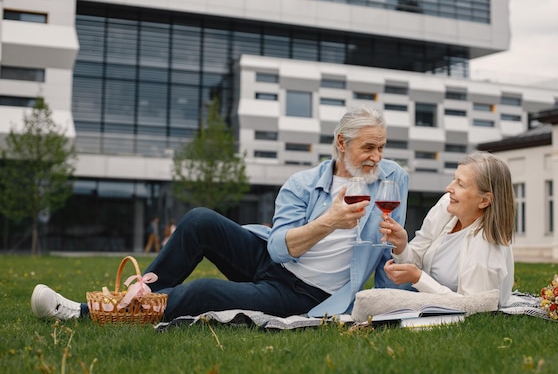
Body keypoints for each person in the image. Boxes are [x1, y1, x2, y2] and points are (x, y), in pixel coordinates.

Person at [31, 106, 409, 322]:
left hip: (303, 294)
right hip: (272, 261)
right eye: (369, 147)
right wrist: (328, 222)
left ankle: (85, 313)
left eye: (382, 147)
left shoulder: (393, 180)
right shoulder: (302, 183)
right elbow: (278, 249)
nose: (377, 157)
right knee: (198, 220)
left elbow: (387, 256)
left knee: (204, 291)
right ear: (342, 144)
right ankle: (139, 293)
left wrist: (399, 255)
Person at [380, 151, 515, 308]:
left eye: (460, 184)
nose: (448, 188)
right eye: (453, 179)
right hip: (426, 299)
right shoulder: (447, 206)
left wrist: (418, 278)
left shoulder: (486, 248)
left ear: (484, 200)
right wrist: (401, 246)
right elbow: (413, 260)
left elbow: (475, 307)